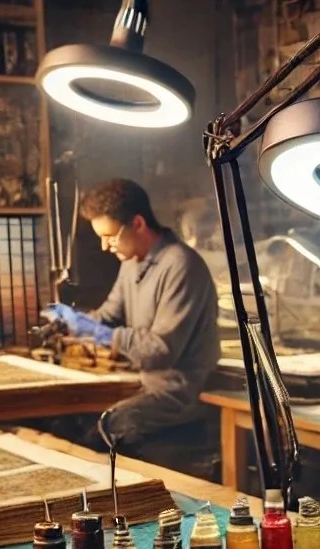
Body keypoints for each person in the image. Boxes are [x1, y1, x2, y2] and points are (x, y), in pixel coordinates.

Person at [43, 178, 219, 451]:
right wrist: (74, 321)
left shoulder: (181, 265)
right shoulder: (133, 262)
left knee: (104, 431)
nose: (105, 247)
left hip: (179, 393)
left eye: (110, 237)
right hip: (145, 382)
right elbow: (110, 315)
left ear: (138, 224)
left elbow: (160, 350)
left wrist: (99, 333)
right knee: (62, 422)